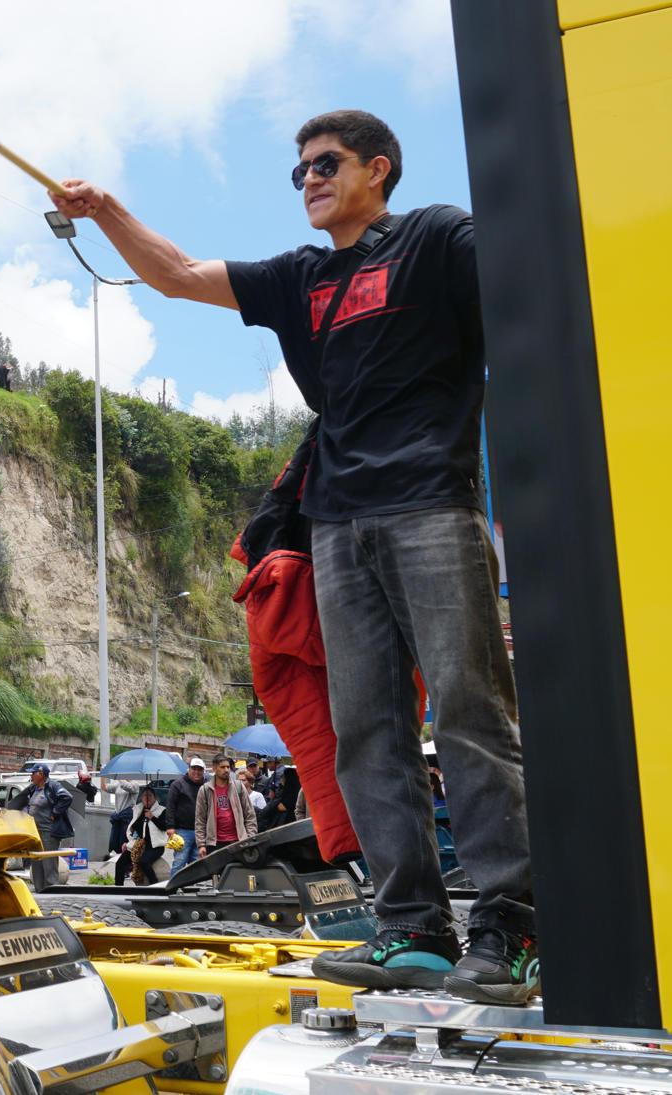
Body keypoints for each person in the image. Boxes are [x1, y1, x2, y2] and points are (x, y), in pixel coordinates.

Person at [51, 109, 533, 1002]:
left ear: (377, 169)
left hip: (432, 505)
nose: (308, 178)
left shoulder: (435, 238)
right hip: (336, 527)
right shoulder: (301, 275)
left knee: (468, 714)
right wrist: (107, 208)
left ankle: (511, 925)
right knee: (367, 730)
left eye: (326, 164)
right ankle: (413, 926)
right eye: (298, 171)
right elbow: (177, 275)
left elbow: (527, 291)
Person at [8, 763, 73, 890]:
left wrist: (55, 812)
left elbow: (67, 797)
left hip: (48, 832)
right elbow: (22, 802)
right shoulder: (33, 788)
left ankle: (52, 891)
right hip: (34, 831)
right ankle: (39, 890)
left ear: (41, 774)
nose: (31, 775)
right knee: (36, 862)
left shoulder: (52, 786)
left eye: (33, 773)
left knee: (49, 863)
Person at [196, 762, 259, 858]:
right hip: (214, 844)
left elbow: (250, 814)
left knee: (235, 872)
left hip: (238, 842)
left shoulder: (238, 787)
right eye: (222, 767)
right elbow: (200, 820)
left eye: (228, 767)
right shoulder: (205, 790)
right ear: (214, 768)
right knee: (216, 873)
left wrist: (250, 838)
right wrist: (201, 845)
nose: (226, 770)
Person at [116, 786, 173, 885]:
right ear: (141, 798)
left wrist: (152, 817)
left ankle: (154, 885)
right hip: (138, 845)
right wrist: (127, 843)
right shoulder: (138, 810)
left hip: (155, 847)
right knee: (120, 863)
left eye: (150, 796)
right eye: (145, 796)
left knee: (144, 862)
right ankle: (118, 888)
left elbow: (164, 827)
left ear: (155, 798)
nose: (147, 798)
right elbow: (132, 829)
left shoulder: (162, 810)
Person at [163, 758, 206, 873]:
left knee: (196, 864)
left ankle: (191, 889)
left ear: (203, 771)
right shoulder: (177, 784)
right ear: (189, 769)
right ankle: (173, 889)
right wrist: (170, 826)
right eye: (194, 768)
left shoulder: (206, 786)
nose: (196, 772)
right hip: (182, 831)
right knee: (179, 862)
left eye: (199, 769)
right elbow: (170, 806)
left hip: (200, 832)